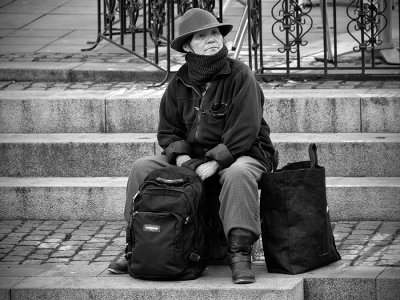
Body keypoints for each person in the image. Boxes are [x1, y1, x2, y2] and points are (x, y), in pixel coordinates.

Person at [107, 8, 275, 284]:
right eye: (202, 36)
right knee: (143, 168)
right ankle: (136, 245)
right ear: (187, 45)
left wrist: (216, 162)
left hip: (244, 153)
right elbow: (169, 131)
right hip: (194, 158)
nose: (212, 39)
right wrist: (182, 159)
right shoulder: (179, 81)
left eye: (214, 33)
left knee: (237, 174)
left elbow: (245, 129)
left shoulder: (241, 75)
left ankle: (240, 254)